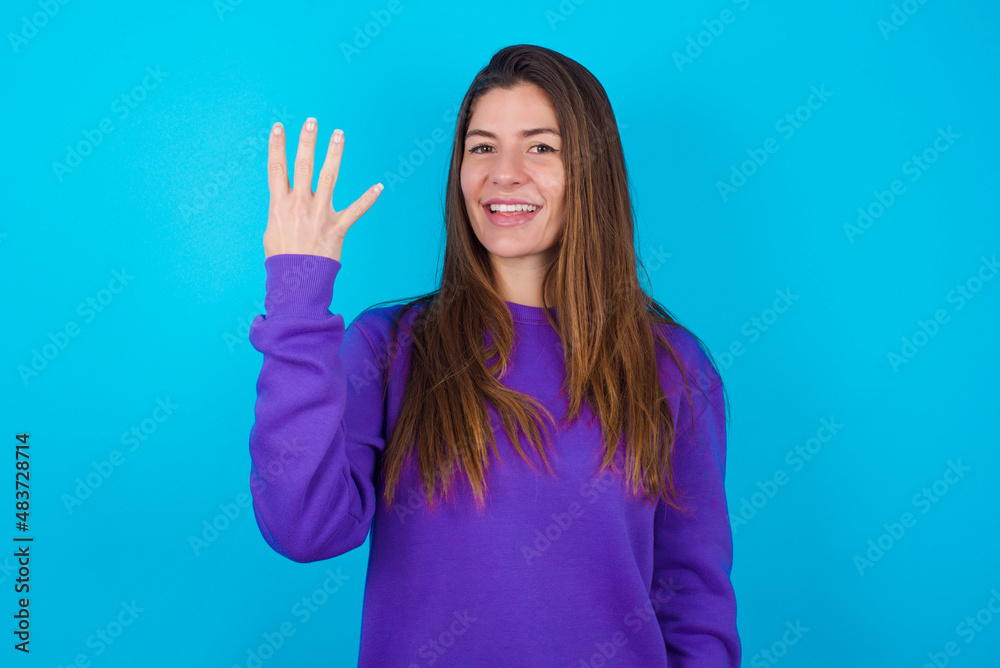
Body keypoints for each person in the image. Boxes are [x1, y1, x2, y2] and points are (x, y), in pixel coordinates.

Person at [248, 43, 740, 667]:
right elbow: (304, 527)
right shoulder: (392, 345)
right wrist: (297, 296)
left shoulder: (672, 366)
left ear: (590, 170)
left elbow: (694, 602)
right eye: (482, 147)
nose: (503, 173)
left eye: (540, 146)